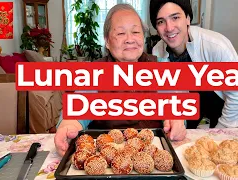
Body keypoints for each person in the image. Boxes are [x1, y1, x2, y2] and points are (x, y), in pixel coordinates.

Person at [54, 4, 187, 156]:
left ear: (143, 37)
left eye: (136, 32)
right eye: (121, 33)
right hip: (106, 157)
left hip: (152, 154)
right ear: (107, 41)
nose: (130, 39)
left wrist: (177, 120)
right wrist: (68, 126)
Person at [149, 0, 238, 129]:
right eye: (161, 21)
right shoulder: (157, 51)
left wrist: (220, 133)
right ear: (157, 29)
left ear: (187, 19)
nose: (169, 28)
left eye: (175, 17)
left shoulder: (216, 45)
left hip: (226, 115)